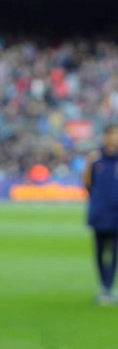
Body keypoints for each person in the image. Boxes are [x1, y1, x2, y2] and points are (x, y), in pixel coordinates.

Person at [83, 123, 118, 306]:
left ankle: (109, 287)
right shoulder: (95, 160)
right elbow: (88, 184)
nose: (114, 138)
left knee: (113, 252)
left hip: (116, 214)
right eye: (111, 135)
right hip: (99, 214)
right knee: (99, 252)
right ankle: (103, 286)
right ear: (105, 137)